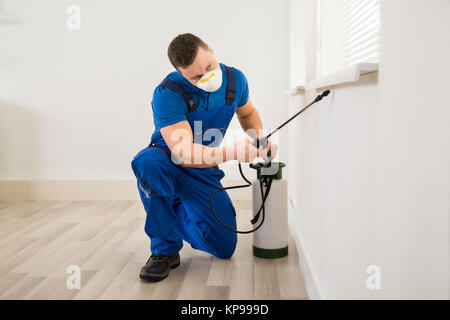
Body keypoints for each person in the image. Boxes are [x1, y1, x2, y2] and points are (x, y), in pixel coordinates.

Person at [131, 33, 277, 282]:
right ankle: (164, 251)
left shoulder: (235, 81)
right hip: (169, 160)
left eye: (209, 67)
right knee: (148, 161)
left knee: (223, 246)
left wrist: (260, 140)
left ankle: (170, 206)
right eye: (196, 76)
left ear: (210, 49)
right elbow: (183, 153)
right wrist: (232, 153)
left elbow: (248, 112)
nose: (206, 76)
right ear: (180, 72)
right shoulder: (168, 93)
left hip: (202, 168)